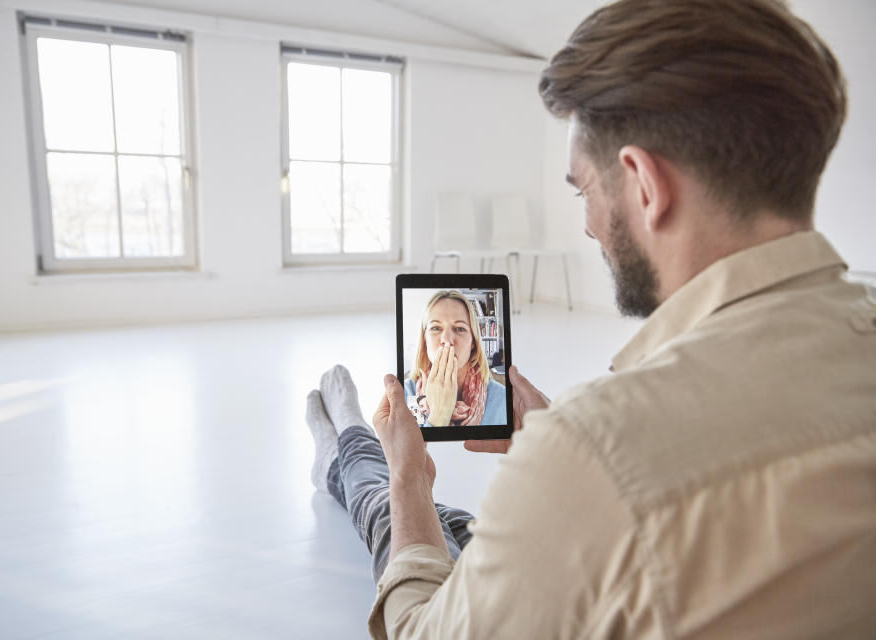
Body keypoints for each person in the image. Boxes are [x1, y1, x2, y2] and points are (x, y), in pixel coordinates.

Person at [305, 0, 876, 637]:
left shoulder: (593, 456)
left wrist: (411, 478)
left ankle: (348, 447)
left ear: (642, 183)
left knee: (397, 507)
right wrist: (554, 453)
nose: (585, 221)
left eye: (583, 189)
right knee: (461, 528)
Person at [404, 290, 506, 427]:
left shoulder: (501, 398)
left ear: (473, 343)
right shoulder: (407, 393)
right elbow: (417, 448)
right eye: (435, 328)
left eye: (459, 329)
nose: (447, 340)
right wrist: (439, 416)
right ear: (424, 341)